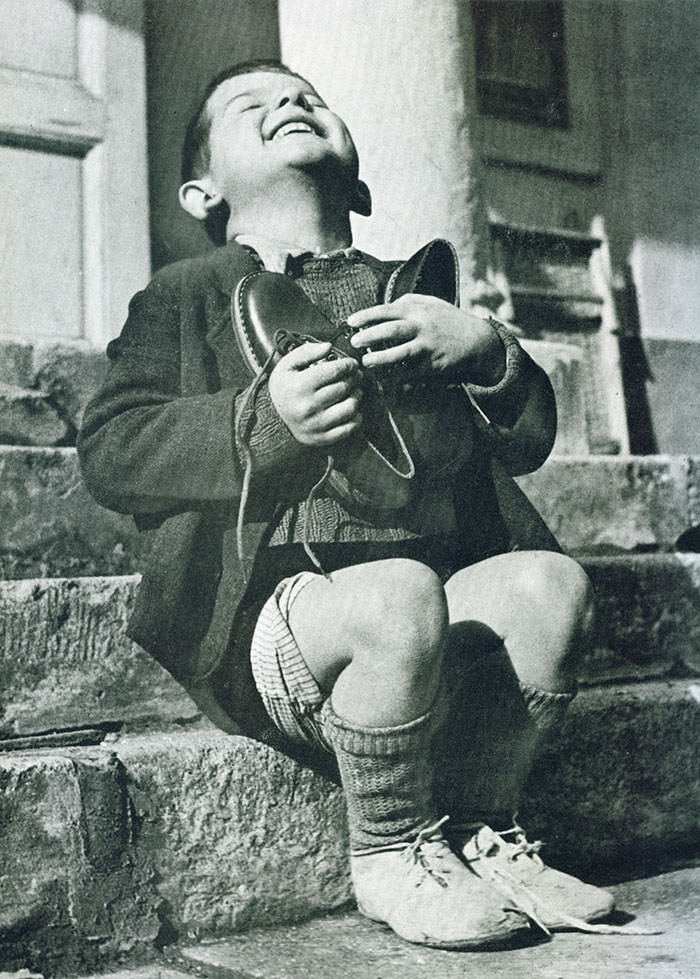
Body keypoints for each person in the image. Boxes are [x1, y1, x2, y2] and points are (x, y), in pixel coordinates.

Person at [78, 59, 614, 950]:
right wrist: (258, 420)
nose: (290, 103)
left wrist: (484, 348)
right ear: (201, 191)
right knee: (398, 591)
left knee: (550, 584)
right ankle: (393, 845)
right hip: (284, 625)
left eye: (310, 100)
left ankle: (484, 827)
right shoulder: (185, 294)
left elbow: (524, 442)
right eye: (254, 107)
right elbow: (111, 449)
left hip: (426, 621)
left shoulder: (418, 291)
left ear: (359, 179)